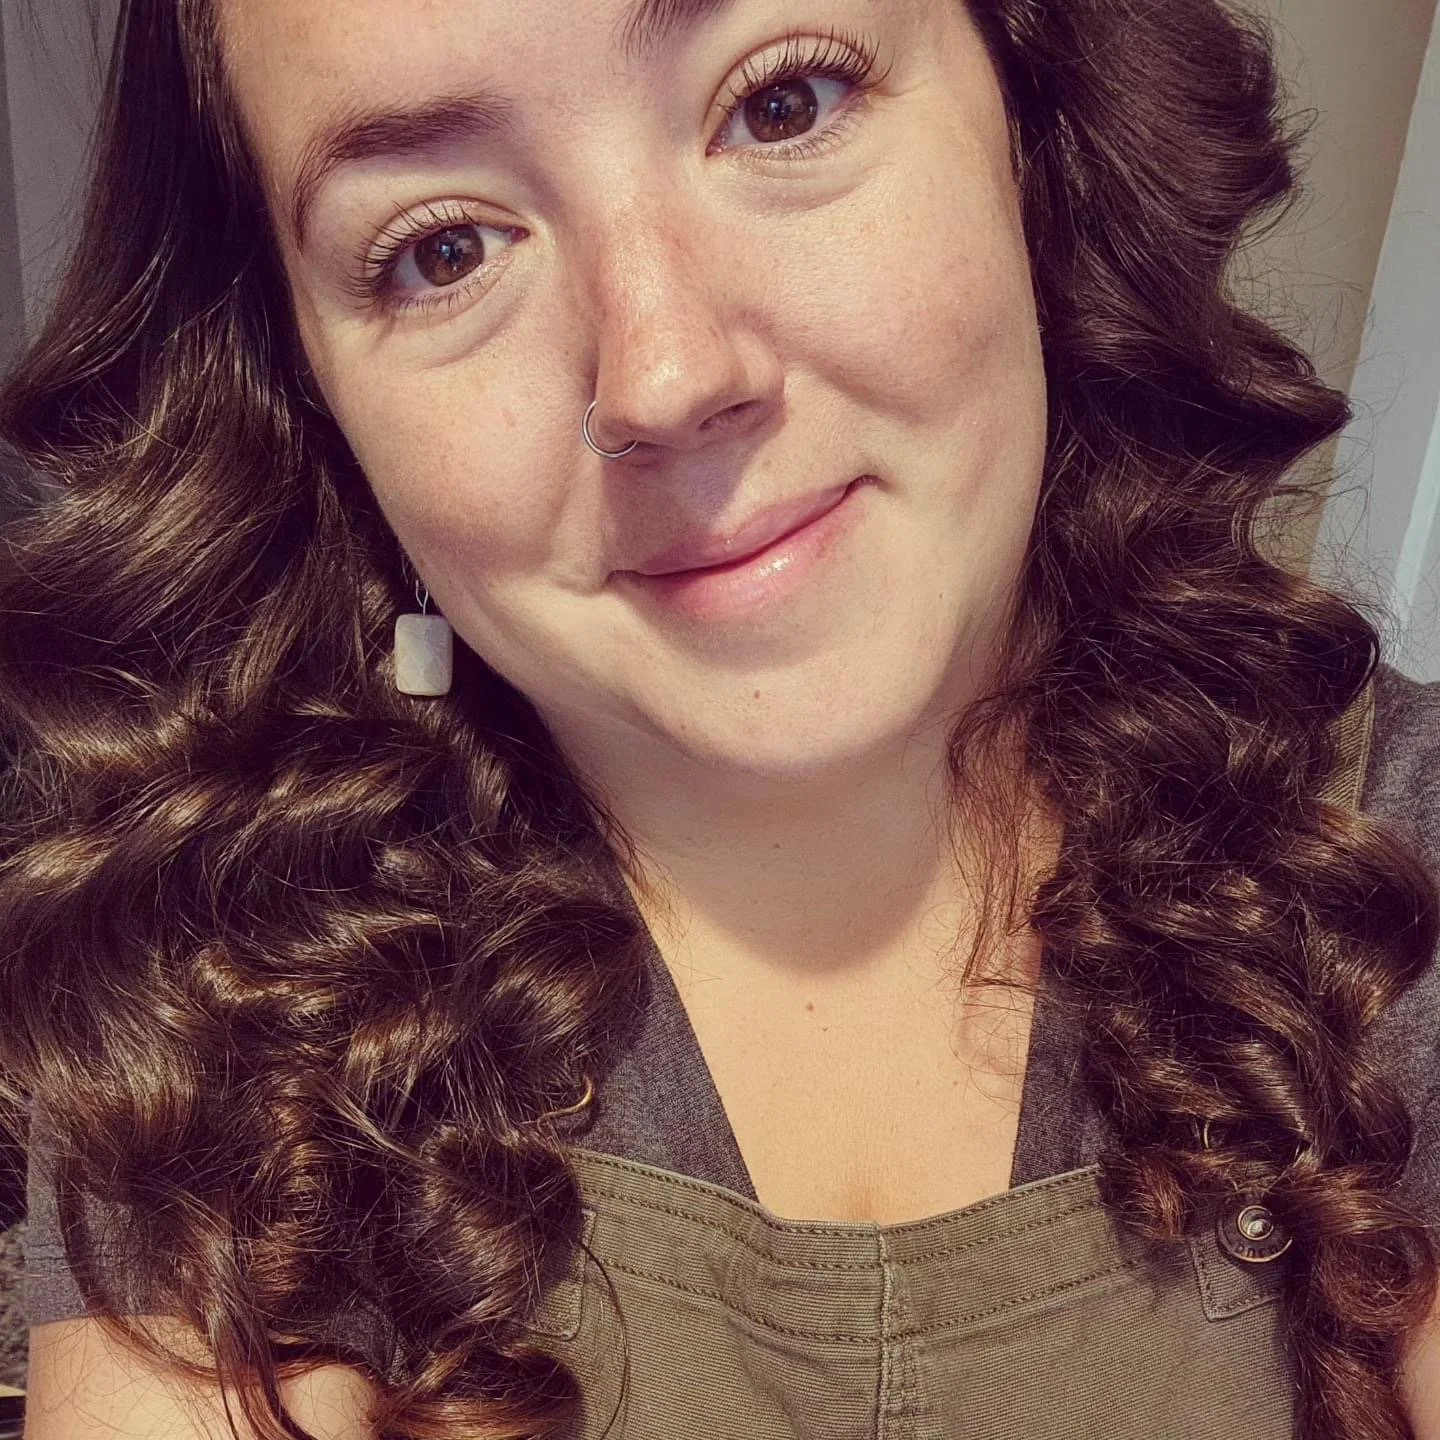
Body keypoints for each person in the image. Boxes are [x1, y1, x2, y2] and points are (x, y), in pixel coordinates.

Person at [0, 0, 1438, 1436]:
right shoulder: (211, 1003)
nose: (667, 376)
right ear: (312, 398)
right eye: (442, 250)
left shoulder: (1397, 872)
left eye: (783, 104)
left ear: (1034, 122)